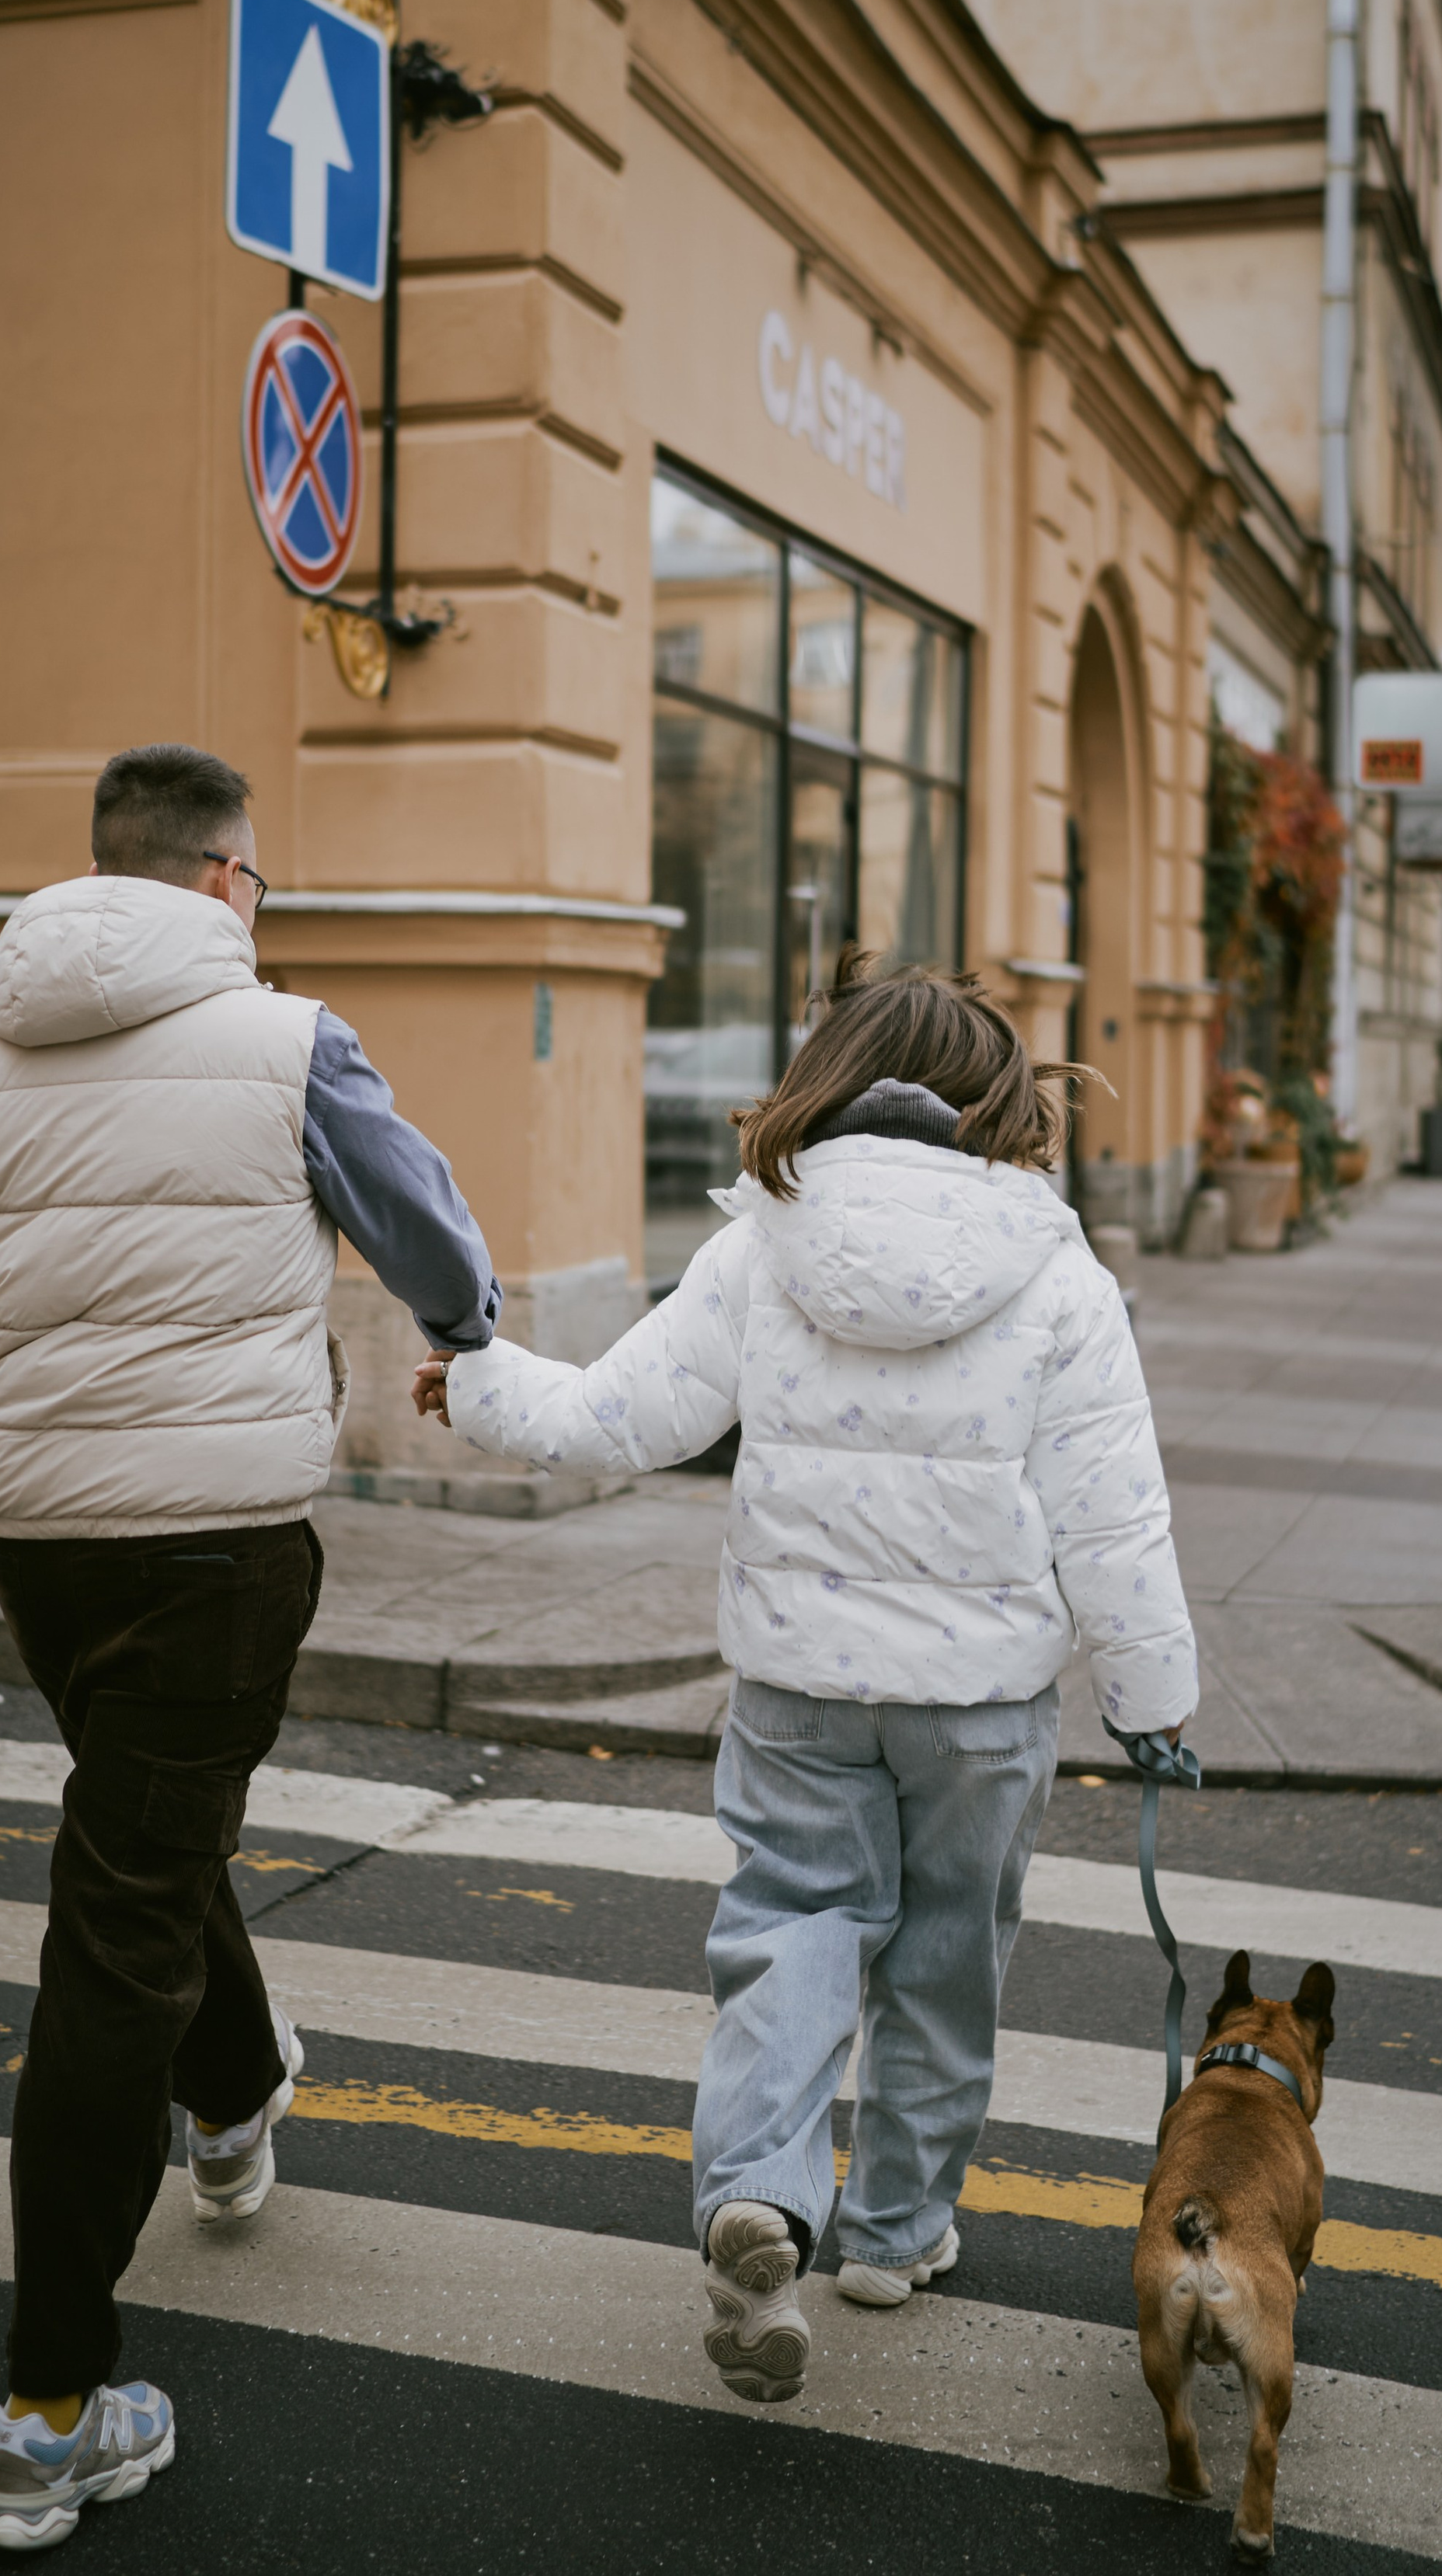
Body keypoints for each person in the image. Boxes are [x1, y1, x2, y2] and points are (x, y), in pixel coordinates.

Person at [413, 950, 1197, 2405]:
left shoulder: (763, 1242)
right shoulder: (1056, 1267)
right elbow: (1114, 1511)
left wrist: (473, 1381)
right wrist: (1152, 1699)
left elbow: (620, 1413)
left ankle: (763, 2188)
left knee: (790, 1926)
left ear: (830, 1077)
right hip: (981, 1700)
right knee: (951, 1950)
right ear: (995, 1103)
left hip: (798, 1683)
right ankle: (897, 2231)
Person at [0, 743, 500, 2551]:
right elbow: (424, 1231)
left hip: (35, 1531)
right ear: (228, 879)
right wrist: (463, 1329)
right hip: (219, 1534)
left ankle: (232, 2091)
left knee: (139, 1830)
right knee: (116, 1912)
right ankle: (47, 2403)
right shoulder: (289, 1039)